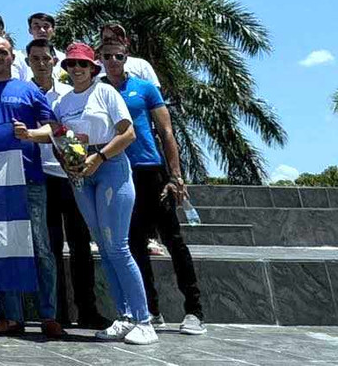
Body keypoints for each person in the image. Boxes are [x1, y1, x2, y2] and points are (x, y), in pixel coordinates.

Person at [28, 43, 157, 346]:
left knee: (119, 246)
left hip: (109, 168)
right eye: (71, 64)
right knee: (104, 246)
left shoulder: (106, 93)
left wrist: (99, 158)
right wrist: (29, 135)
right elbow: (55, 134)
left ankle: (144, 319)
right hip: (80, 176)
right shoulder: (62, 103)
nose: (76, 69)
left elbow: (128, 133)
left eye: (82, 64)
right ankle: (125, 316)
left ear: (92, 69)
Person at [101, 39, 205, 335]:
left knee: (173, 239)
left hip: (151, 172)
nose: (112, 61)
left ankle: (194, 310)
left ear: (126, 57)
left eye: (118, 56)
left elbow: (167, 132)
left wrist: (176, 175)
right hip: (118, 173)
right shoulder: (99, 91)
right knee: (133, 245)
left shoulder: (144, 88)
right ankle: (151, 310)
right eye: (106, 56)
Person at [0, 34, 61, 337]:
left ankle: (49, 315)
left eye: (3, 52)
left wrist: (29, 134)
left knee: (41, 249)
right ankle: (14, 316)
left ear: (12, 57)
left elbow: (53, 129)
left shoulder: (29, 90)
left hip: (30, 179)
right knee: (5, 249)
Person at [25, 38, 106, 332]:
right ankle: (55, 314)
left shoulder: (66, 95)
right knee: (50, 248)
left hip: (70, 176)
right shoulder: (25, 92)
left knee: (81, 245)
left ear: (54, 60)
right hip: (40, 176)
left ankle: (88, 310)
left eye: (47, 58)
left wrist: (75, 163)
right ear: (28, 61)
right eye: (36, 59)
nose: (42, 63)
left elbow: (67, 134)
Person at [99, 23, 162, 87]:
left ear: (125, 41)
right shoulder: (92, 67)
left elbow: (154, 92)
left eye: (115, 38)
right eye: (106, 39)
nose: (111, 42)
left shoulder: (141, 65)